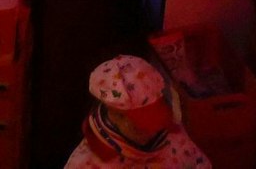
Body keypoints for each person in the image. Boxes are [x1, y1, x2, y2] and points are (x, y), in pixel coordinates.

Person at [62, 55, 212, 168]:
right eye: (142, 123)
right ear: (114, 114)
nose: (150, 131)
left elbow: (199, 163)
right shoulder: (86, 162)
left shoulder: (173, 137)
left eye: (154, 118)